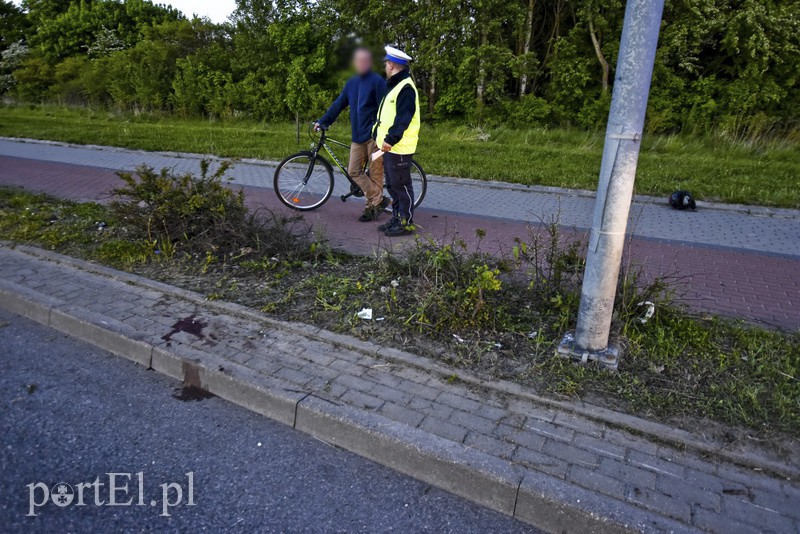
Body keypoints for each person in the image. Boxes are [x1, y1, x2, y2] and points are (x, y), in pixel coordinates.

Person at [316, 47, 389, 222]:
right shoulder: (351, 82)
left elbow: (385, 109)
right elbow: (339, 103)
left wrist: (382, 132)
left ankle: (371, 208)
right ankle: (379, 199)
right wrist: (323, 121)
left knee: (375, 173)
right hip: (357, 136)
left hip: (374, 136)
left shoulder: (377, 81)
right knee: (354, 171)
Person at [373, 45, 421, 237]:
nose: (385, 66)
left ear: (392, 64)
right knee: (392, 185)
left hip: (398, 146)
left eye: (386, 63)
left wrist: (391, 139)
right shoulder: (395, 85)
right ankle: (396, 217)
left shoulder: (406, 88)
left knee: (401, 185)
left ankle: (406, 222)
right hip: (389, 146)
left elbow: (403, 118)